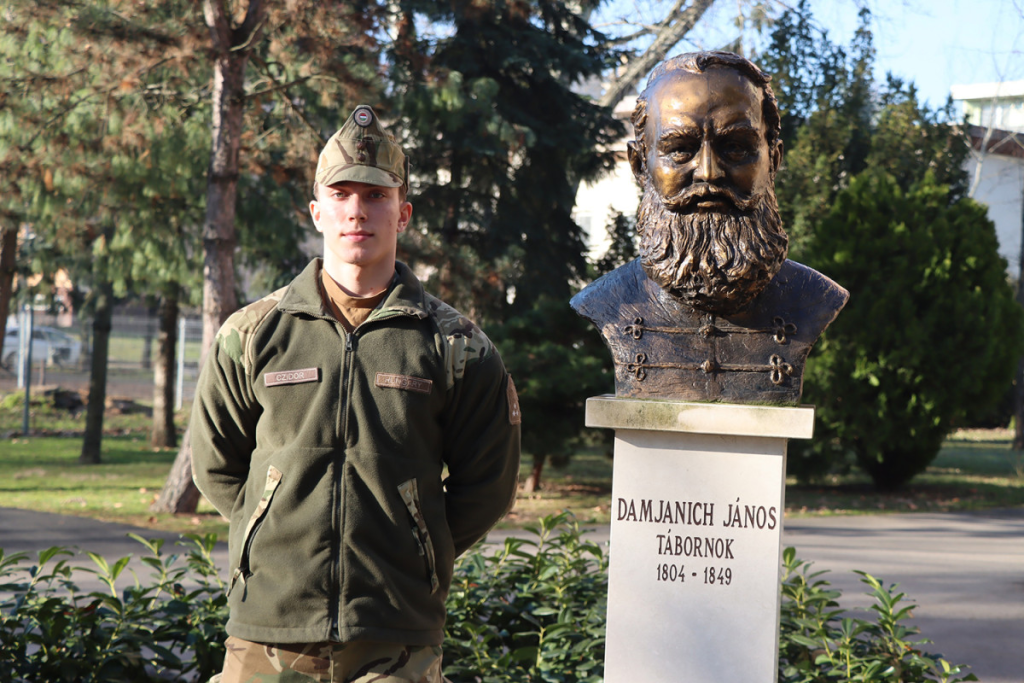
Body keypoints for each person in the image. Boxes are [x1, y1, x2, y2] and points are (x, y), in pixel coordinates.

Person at [191, 104, 522, 683]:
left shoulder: (456, 345)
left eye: (375, 196)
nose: (356, 211)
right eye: (340, 194)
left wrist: (417, 548)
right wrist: (269, 531)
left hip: (396, 635)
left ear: (403, 213)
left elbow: (488, 485)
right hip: (268, 627)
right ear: (316, 211)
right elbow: (215, 465)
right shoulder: (252, 333)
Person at [571, 51, 848, 403]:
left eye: (735, 148)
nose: (708, 172)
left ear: (773, 161)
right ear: (640, 165)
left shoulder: (817, 299)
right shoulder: (604, 302)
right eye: (680, 149)